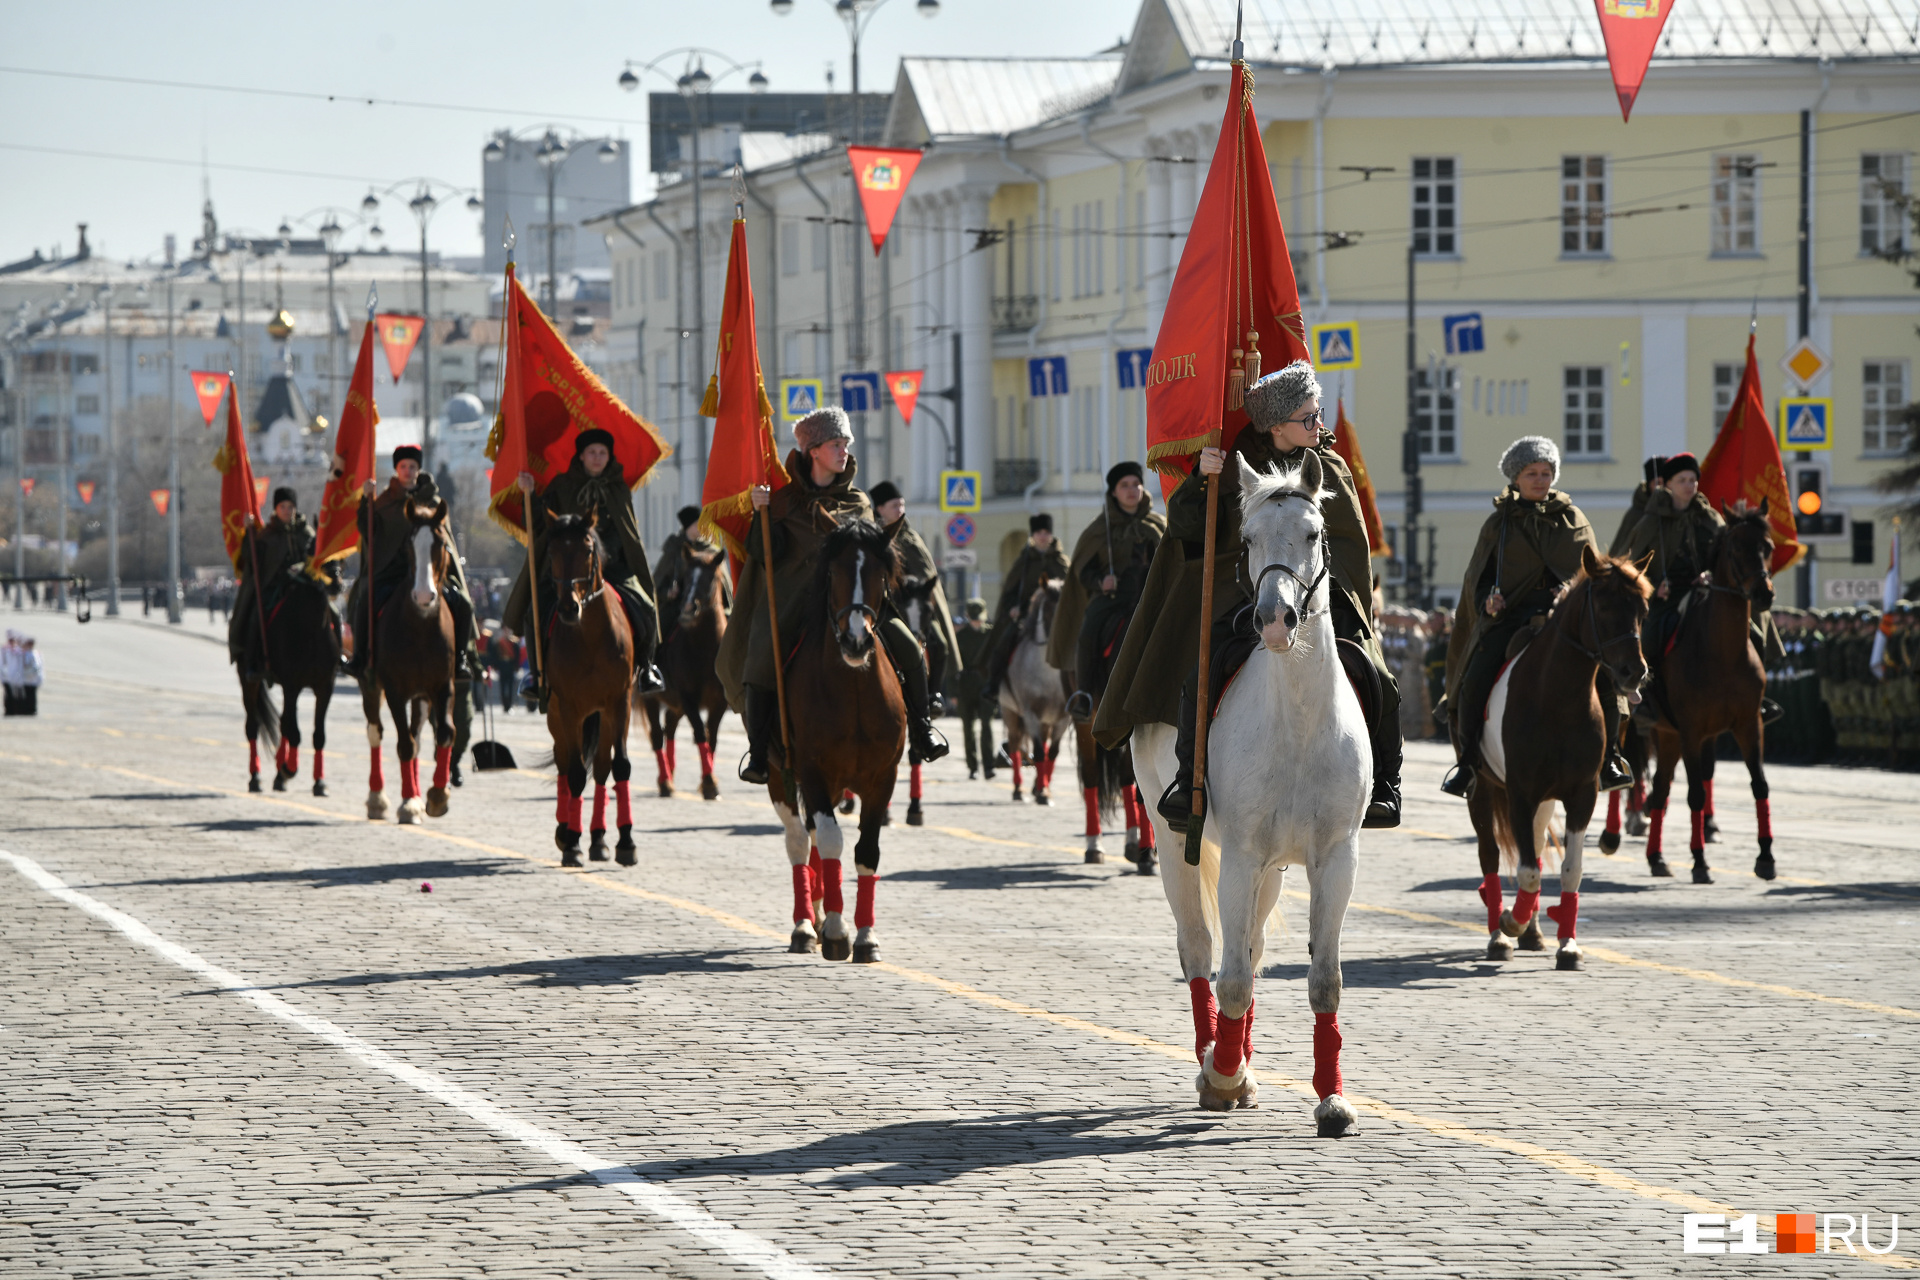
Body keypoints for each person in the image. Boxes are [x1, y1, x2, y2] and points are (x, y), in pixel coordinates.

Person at [1122, 361, 1402, 832]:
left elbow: (1354, 546)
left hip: (1324, 601)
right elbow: (1188, 530)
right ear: (1276, 424)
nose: (1318, 426)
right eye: (1308, 418)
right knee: (1202, 672)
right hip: (1246, 596)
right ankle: (1188, 781)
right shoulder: (1231, 466)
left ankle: (1386, 787)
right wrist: (1199, 480)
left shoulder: (1328, 467)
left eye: (1318, 415)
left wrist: (1349, 601)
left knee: (1378, 677)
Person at [718, 405, 948, 784]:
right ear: (813, 451)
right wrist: (760, 512)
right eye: (836, 444)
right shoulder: (783, 501)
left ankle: (923, 731)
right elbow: (764, 553)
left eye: (846, 443)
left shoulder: (858, 502)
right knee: (760, 658)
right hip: (797, 597)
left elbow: (876, 554)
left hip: (855, 599)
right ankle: (759, 753)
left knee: (908, 645)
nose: (844, 451)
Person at [1441, 435, 1620, 798]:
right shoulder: (1498, 523)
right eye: (1531, 473)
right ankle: (1469, 762)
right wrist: (1488, 599)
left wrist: (1570, 592)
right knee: (1475, 678)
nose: (1540, 479)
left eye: (1546, 472)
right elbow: (1479, 577)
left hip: (1566, 619)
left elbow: (1592, 574)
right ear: (1515, 478)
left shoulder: (1574, 519)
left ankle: (1611, 756)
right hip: (1511, 617)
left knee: (1607, 677)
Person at [1623, 451, 1784, 728]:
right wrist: (1653, 586)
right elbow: (1630, 565)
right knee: (1649, 637)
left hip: (1705, 592)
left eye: (1693, 480)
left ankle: (1757, 698)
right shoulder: (1650, 522)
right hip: (1666, 596)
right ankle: (1647, 699)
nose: (1689, 486)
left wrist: (1710, 574)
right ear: (1668, 484)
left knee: (1753, 634)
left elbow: (1726, 556)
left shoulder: (1711, 517)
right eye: (1682, 480)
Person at [502, 427, 664, 699]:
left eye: (602, 453)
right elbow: (539, 524)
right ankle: (536, 673)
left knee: (645, 605)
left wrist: (607, 554)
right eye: (592, 453)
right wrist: (529, 495)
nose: (597, 458)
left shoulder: (619, 489)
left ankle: (647, 667)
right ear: (581, 456)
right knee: (535, 611)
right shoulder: (562, 486)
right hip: (569, 572)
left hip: (612, 568)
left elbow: (627, 532)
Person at [347, 445, 480, 681]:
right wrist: (365, 503)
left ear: (419, 469)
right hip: (391, 570)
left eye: (412, 467)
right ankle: (359, 657)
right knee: (364, 599)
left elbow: (444, 540)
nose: (408, 471)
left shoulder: (433, 502)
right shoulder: (384, 502)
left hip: (429, 573)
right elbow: (369, 532)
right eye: (403, 467)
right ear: (396, 470)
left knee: (464, 604)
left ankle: (460, 659)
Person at [868, 480, 961, 710]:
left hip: (919, 604)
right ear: (880, 509)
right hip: (889, 605)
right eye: (894, 506)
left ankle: (933, 696)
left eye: (902, 505)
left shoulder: (911, 535)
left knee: (939, 645)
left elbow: (926, 571)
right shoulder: (875, 536)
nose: (900, 510)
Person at [228, 487, 315, 679]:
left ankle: (332, 658)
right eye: (282, 506)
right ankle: (252, 662)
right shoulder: (267, 535)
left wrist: (301, 567)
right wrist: (248, 532)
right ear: (276, 509)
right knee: (256, 617)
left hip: (303, 587)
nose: (286, 510)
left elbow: (314, 558)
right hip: (276, 588)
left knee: (329, 612)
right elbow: (251, 559)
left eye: (290, 506)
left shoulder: (306, 533)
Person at [983, 513, 1070, 700]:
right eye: (1039, 532)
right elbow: (1010, 591)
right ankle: (993, 684)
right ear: (1033, 535)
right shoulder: (1023, 562)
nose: (1043, 536)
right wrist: (1014, 606)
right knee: (1004, 641)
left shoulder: (1062, 561)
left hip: (1058, 616)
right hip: (1026, 615)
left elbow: (1072, 590)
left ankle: (1080, 691)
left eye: (1047, 532)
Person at [652, 505, 729, 641]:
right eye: (698, 523)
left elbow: (725, 585)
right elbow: (656, 584)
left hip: (708, 604)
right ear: (689, 526)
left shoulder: (710, 550)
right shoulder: (674, 550)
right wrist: (668, 593)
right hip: (678, 605)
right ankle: (653, 658)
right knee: (659, 631)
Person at [952, 598, 997, 780]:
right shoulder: (960, 638)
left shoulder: (991, 635)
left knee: (987, 725)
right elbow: (953, 667)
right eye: (974, 618)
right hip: (966, 686)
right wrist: (954, 692)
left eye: (980, 618)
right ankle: (973, 767)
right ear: (967, 617)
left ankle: (988, 766)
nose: (978, 622)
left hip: (986, 685)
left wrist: (996, 687)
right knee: (968, 728)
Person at [1423, 609, 1452, 738]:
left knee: (1444, 703)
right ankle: (1438, 730)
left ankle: (1446, 732)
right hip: (1433, 674)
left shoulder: (1447, 636)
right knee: (1434, 701)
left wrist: (1447, 674)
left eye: (1436, 619)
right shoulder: (1433, 636)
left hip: (1443, 673)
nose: (1433, 622)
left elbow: (1450, 654)